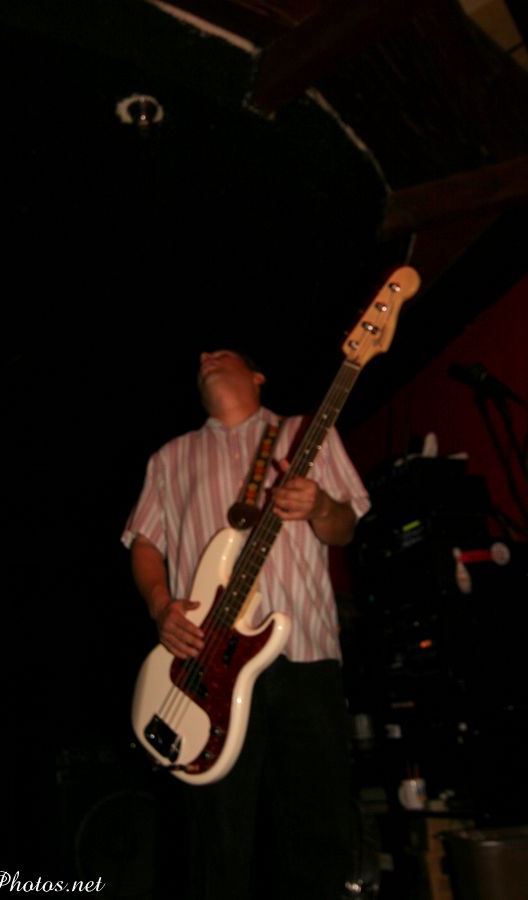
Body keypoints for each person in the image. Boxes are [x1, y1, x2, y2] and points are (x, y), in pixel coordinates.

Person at [121, 348, 371, 900]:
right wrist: (161, 606)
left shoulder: (307, 433)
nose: (205, 356)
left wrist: (320, 506)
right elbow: (144, 545)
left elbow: (344, 528)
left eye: (223, 354)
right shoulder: (169, 457)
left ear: (258, 377)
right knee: (215, 844)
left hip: (303, 652)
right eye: (201, 358)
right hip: (205, 666)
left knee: (318, 834)